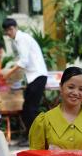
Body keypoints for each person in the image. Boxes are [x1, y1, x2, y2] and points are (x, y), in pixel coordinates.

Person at [3, 18, 48, 147]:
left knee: (30, 110)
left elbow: (24, 62)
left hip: (38, 76)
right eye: (7, 31)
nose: (9, 32)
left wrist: (8, 74)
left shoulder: (22, 39)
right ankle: (31, 136)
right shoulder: (17, 40)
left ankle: (36, 138)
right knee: (27, 109)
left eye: (11, 29)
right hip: (34, 77)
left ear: (15, 28)